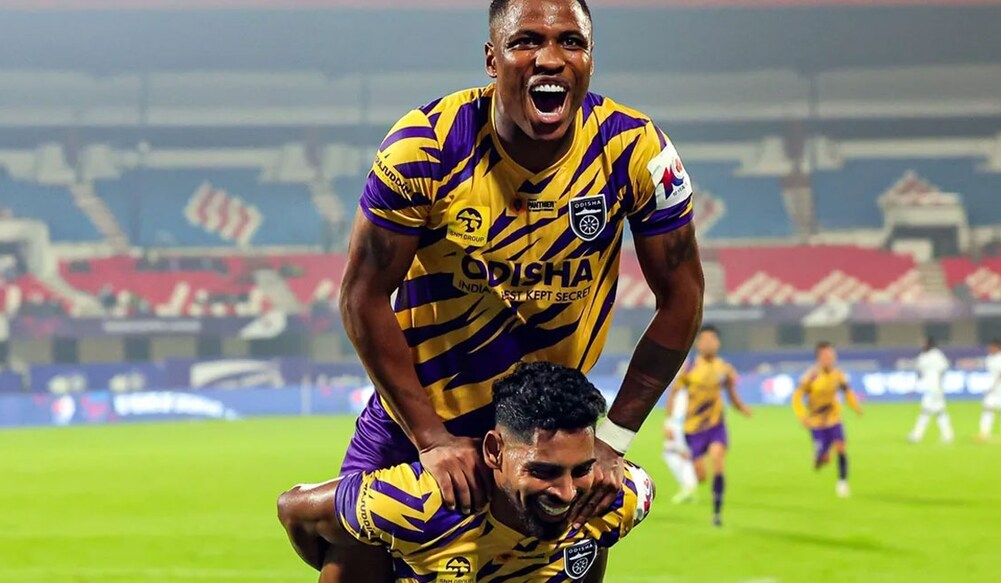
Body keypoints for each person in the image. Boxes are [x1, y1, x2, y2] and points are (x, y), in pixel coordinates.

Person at [335, 0, 704, 579]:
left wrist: (612, 438)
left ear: (590, 59)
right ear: (491, 58)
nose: (551, 59)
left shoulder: (635, 150)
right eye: (527, 40)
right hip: (422, 420)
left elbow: (683, 296)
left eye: (571, 43)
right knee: (347, 558)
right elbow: (360, 294)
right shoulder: (425, 146)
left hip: (553, 436)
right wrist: (430, 439)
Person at [278, 362, 655, 583]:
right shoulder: (414, 503)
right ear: (494, 451)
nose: (567, 492)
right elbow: (293, 508)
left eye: (581, 470)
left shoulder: (615, 496)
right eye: (544, 471)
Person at [664, 325, 750, 526]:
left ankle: (717, 512)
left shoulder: (725, 369)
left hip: (716, 425)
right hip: (693, 429)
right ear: (698, 343)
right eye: (705, 340)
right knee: (701, 475)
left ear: (718, 343)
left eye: (713, 340)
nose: (709, 344)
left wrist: (742, 408)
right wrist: (669, 423)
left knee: (718, 462)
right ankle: (698, 481)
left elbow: (732, 393)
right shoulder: (690, 367)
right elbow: (674, 392)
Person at [793, 342, 863, 498]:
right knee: (824, 458)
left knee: (841, 446)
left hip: (833, 417)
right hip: (816, 421)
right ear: (819, 358)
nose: (829, 359)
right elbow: (797, 397)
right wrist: (801, 415)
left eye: (831, 356)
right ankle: (819, 456)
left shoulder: (838, 375)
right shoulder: (811, 376)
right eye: (825, 356)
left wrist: (855, 407)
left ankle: (842, 482)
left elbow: (848, 392)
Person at [907, 338, 953, 444]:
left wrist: (939, 385)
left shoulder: (936, 354)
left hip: (934, 388)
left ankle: (916, 435)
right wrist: (913, 387)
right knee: (940, 412)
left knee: (925, 411)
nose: (922, 344)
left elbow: (943, 370)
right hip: (930, 387)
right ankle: (948, 436)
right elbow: (920, 372)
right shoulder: (923, 356)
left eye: (924, 343)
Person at [661, 379, 697, 505]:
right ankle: (689, 486)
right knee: (672, 454)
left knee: (680, 455)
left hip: (682, 428)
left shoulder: (685, 392)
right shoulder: (679, 392)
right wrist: (668, 423)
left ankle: (689, 486)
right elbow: (671, 410)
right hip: (677, 426)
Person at [978, 338, 1001, 442]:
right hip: (992, 389)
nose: (990, 348)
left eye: (992, 346)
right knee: (987, 409)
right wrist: (989, 387)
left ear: (998, 347)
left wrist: (994, 386)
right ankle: (984, 433)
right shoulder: (989, 358)